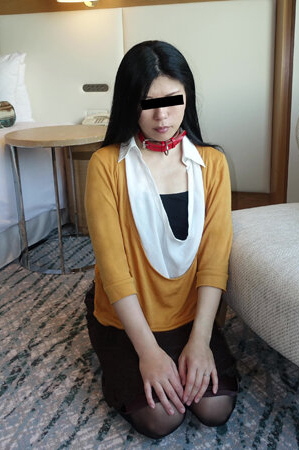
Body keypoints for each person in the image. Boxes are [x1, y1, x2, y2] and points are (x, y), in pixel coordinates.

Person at [84, 40, 237, 439]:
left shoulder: (214, 164)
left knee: (215, 408)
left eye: (173, 100)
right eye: (148, 103)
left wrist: (200, 340)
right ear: (128, 103)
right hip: (127, 316)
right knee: (162, 418)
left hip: (187, 313)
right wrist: (149, 353)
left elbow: (214, 260)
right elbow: (114, 270)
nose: (162, 115)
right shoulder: (105, 165)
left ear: (188, 97)